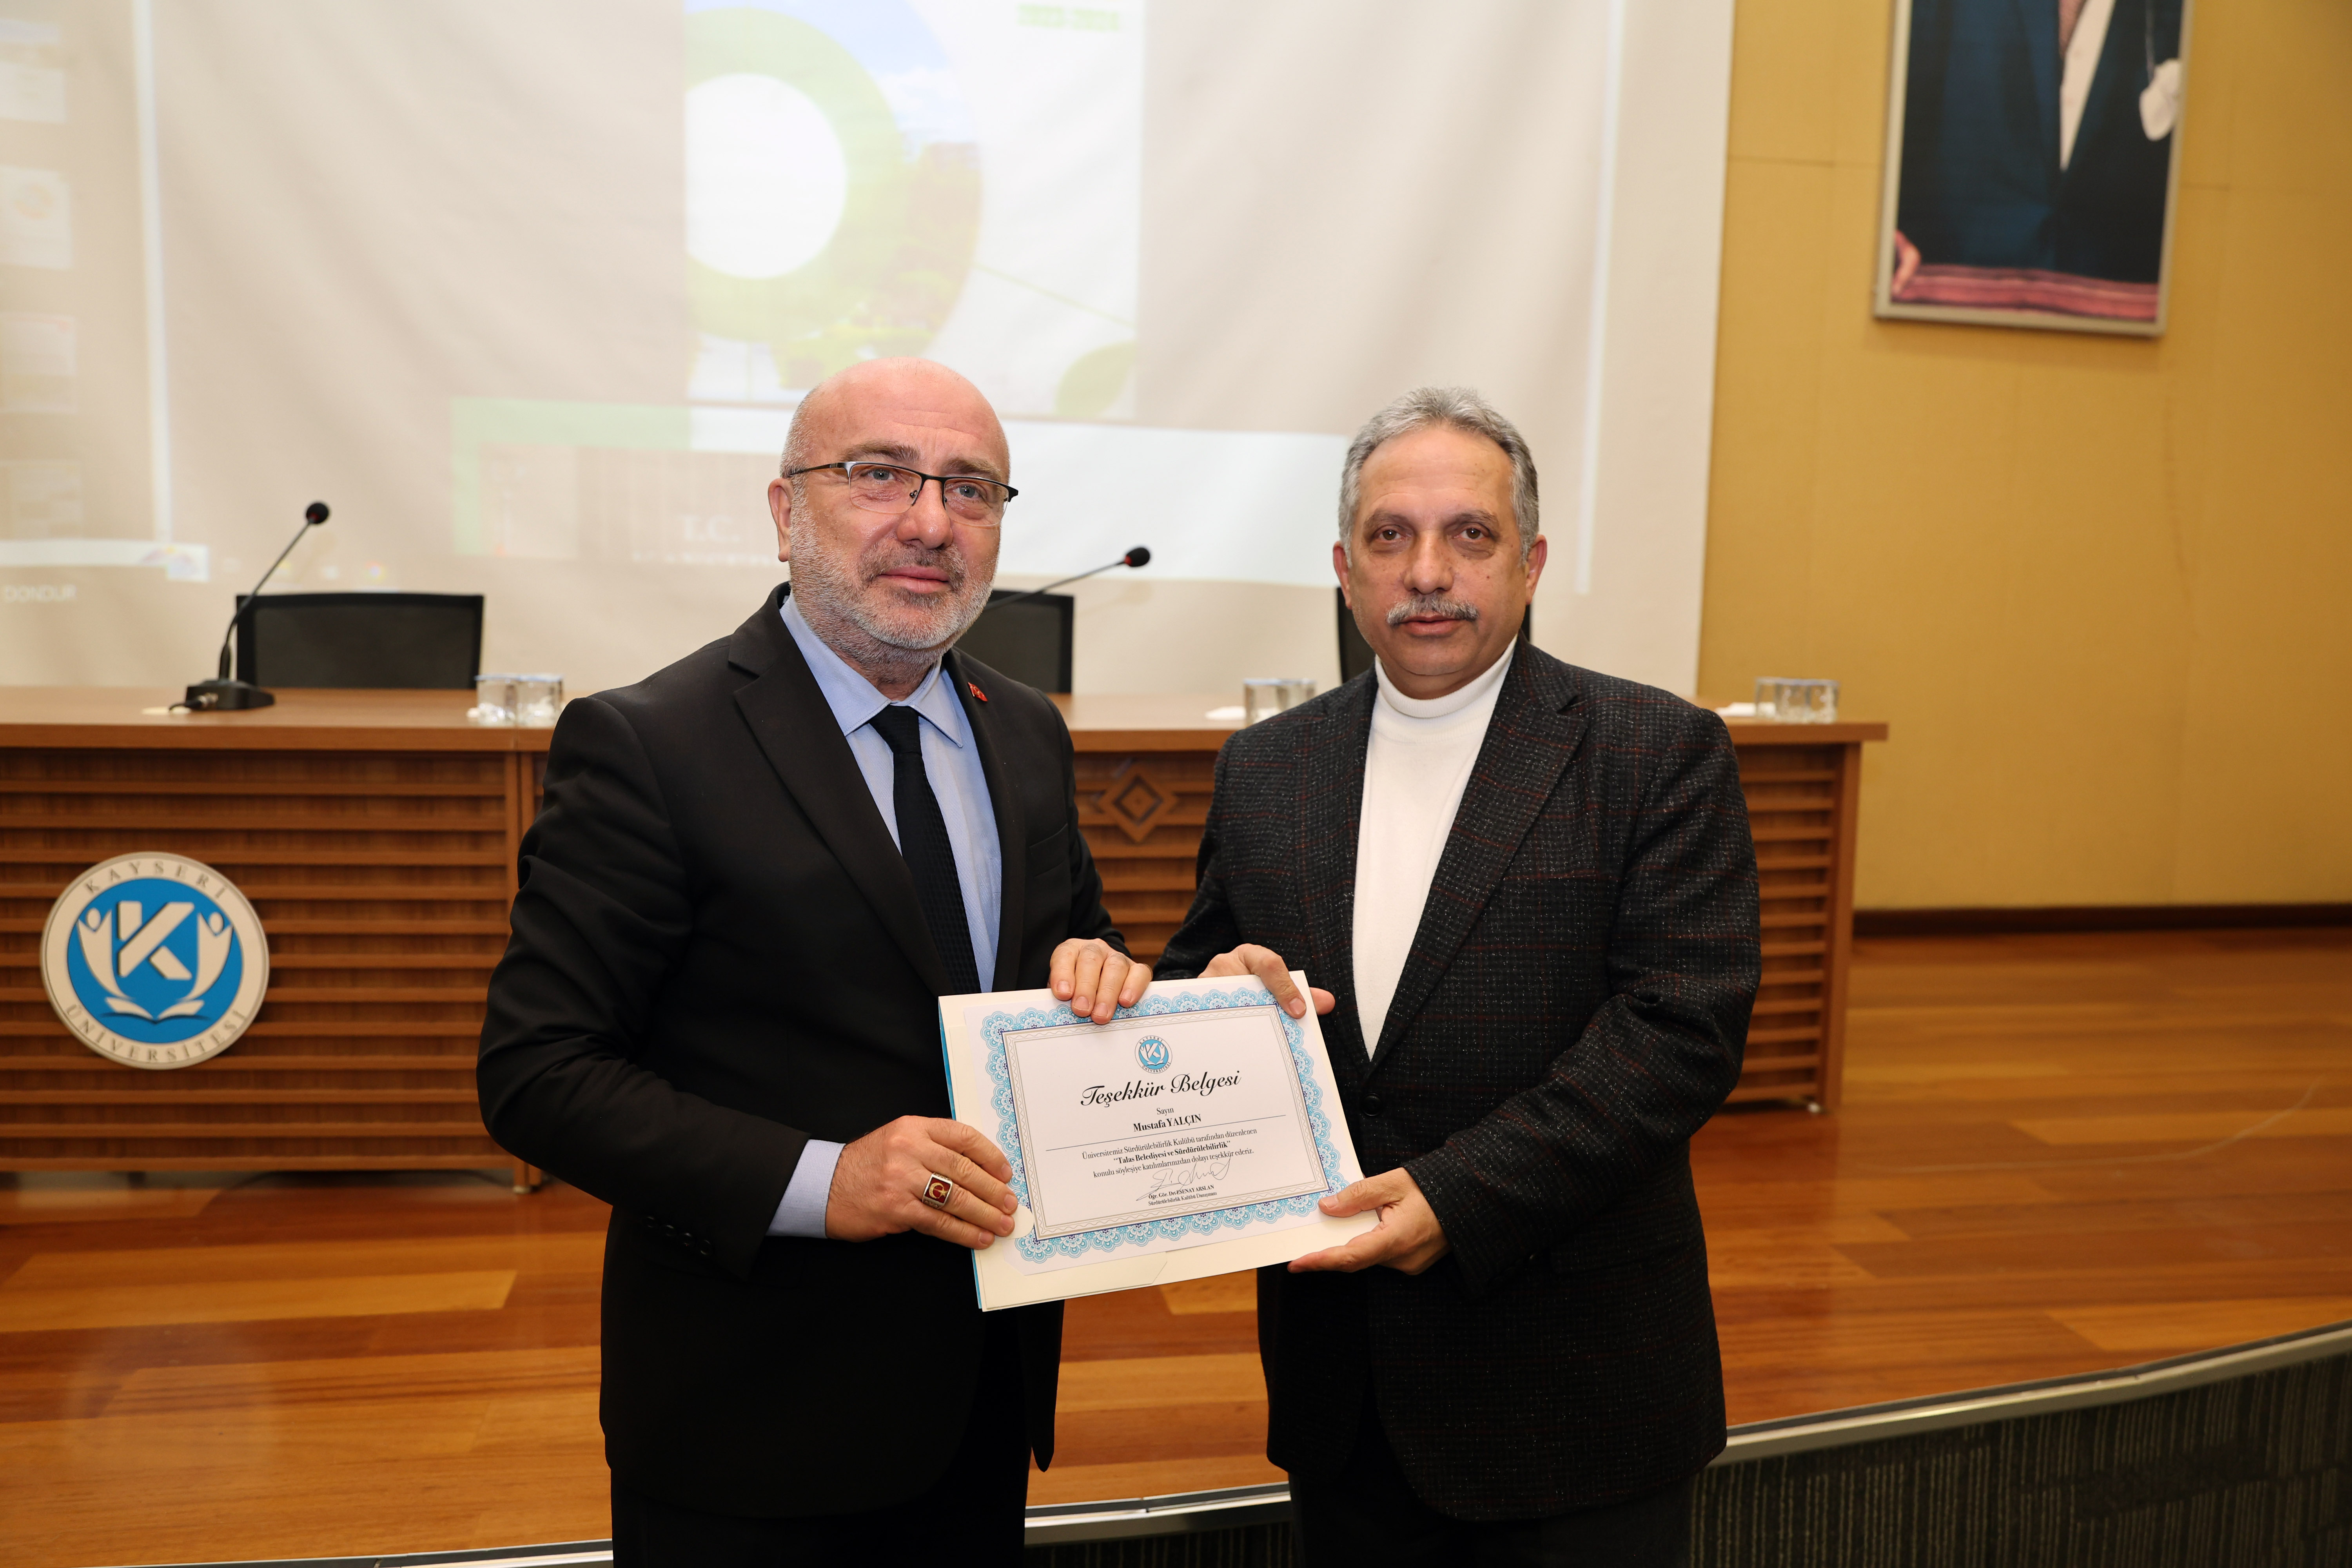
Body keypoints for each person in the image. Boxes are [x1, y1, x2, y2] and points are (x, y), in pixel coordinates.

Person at [477, 358, 1148, 1566]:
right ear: (786, 510)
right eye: (880, 475)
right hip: (753, 1423)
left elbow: (1067, 949)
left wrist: (1104, 972)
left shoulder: (1025, 730)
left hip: (983, 1399)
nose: (931, 522)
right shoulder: (648, 743)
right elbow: (539, 1073)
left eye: (971, 489)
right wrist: (823, 1180)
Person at [1156, 387, 1760, 1566]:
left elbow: (1680, 1033)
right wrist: (1218, 994)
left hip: (1574, 1390)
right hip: (1343, 1392)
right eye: (1391, 536)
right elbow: (1207, 973)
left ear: (1531, 563)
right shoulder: (1266, 768)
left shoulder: (1656, 751)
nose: (1427, 572)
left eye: (1469, 535)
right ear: (1346, 570)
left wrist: (1460, 1197)